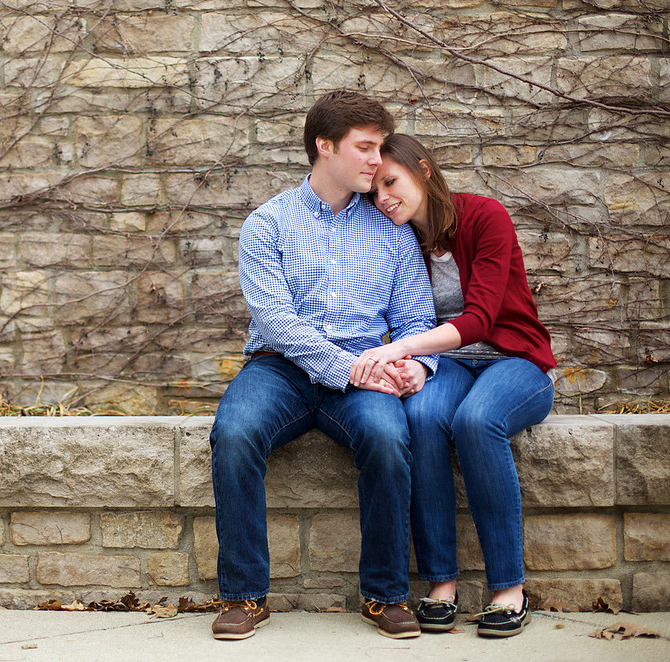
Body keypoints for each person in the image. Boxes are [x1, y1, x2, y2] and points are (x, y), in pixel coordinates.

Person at [210, 92, 438, 642]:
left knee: (387, 435)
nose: (376, 161)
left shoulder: (393, 230)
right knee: (235, 432)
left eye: (380, 148)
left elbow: (415, 320)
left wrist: (418, 367)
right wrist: (349, 368)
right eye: (365, 147)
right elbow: (278, 321)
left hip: (364, 369)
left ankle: (385, 596)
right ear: (324, 146)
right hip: (280, 368)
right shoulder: (267, 224)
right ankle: (244, 595)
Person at [350, 133, 556, 638]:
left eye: (391, 182)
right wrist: (416, 364)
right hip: (451, 365)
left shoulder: (486, 216)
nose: (383, 199)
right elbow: (404, 313)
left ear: (424, 169)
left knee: (477, 420)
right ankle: (441, 583)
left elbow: (483, 318)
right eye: (375, 191)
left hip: (516, 359)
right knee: (419, 417)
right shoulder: (400, 239)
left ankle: (509, 590)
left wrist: (401, 350)